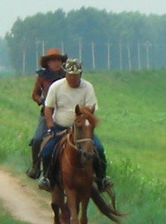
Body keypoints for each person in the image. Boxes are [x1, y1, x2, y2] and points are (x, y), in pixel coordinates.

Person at [38, 59, 113, 192]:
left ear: (81, 74)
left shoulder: (88, 87)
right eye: (70, 75)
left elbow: (91, 109)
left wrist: (82, 122)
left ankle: (102, 179)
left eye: (76, 75)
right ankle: (47, 178)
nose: (73, 78)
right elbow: (48, 108)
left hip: (82, 130)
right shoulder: (56, 86)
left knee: (99, 149)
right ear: (65, 74)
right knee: (47, 149)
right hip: (60, 128)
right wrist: (50, 126)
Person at [26, 48, 67, 179]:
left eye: (58, 60)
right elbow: (35, 94)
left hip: (65, 112)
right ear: (48, 63)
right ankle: (36, 166)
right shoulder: (42, 77)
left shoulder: (67, 76)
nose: (56, 63)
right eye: (53, 60)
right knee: (38, 139)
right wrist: (42, 101)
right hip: (47, 114)